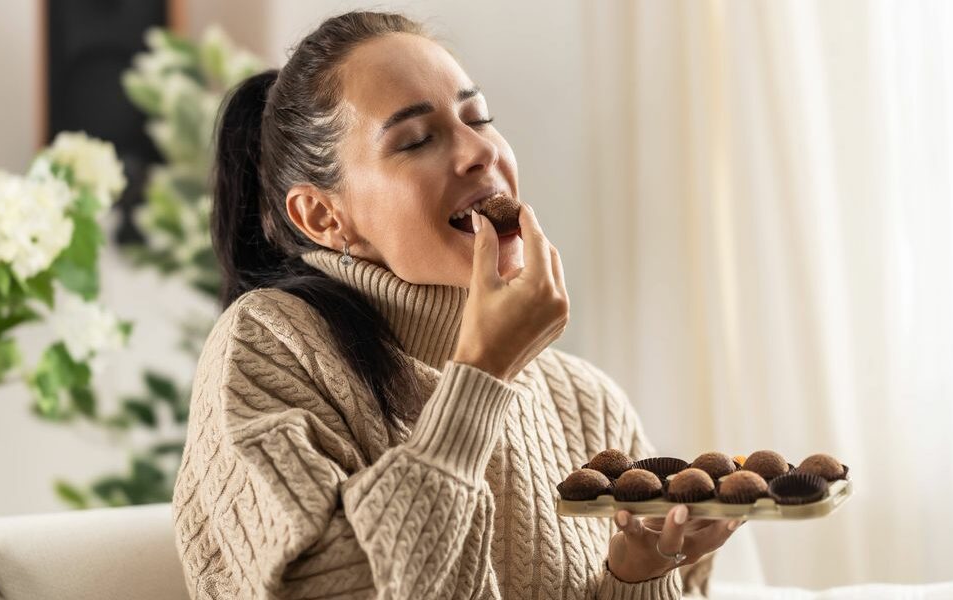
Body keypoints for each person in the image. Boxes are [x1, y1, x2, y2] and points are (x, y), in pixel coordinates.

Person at [172, 11, 740, 599]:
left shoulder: (588, 404)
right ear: (322, 215)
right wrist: (479, 378)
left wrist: (635, 578)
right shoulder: (271, 349)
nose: (478, 152)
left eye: (479, 118)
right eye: (416, 139)